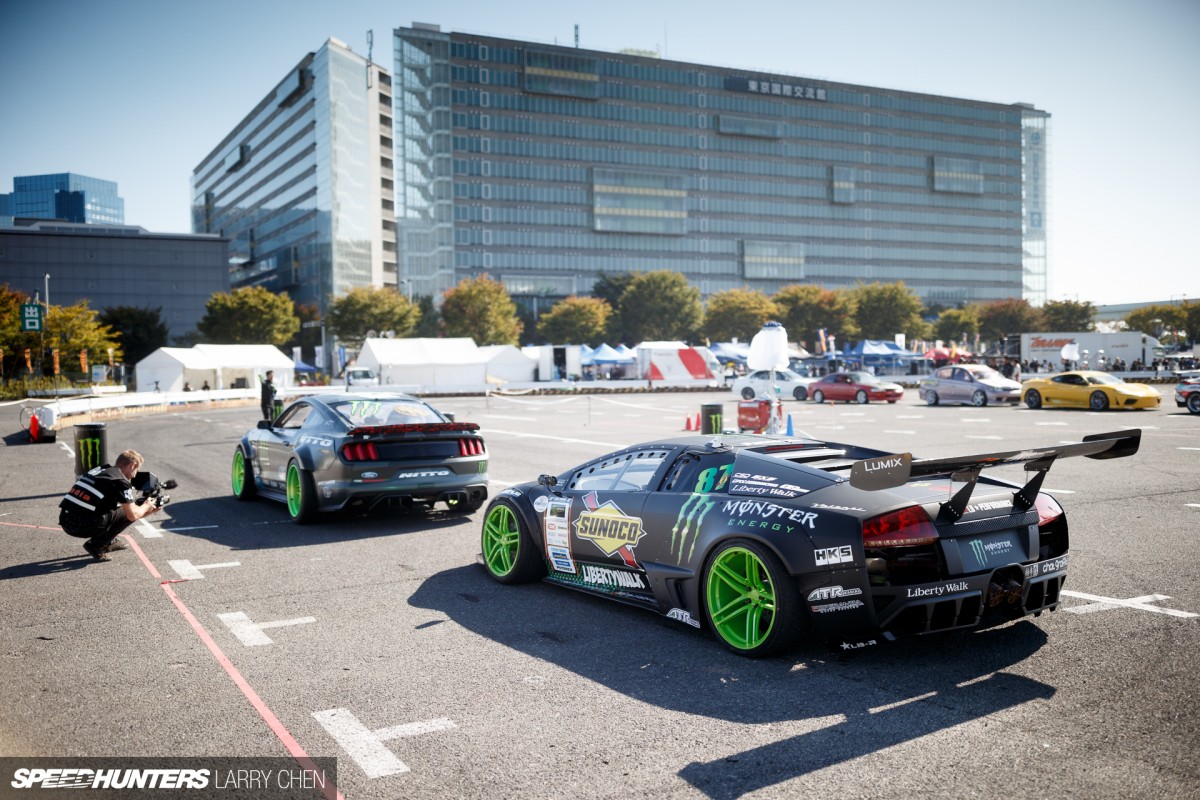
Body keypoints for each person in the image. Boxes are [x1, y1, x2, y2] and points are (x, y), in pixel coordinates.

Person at [59, 450, 161, 562]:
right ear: (133, 465)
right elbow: (132, 515)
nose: (135, 475)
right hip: (81, 527)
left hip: (65, 521)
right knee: (131, 511)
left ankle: (109, 541)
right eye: (137, 470)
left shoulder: (101, 470)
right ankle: (97, 545)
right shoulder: (120, 480)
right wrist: (146, 506)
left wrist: (147, 511)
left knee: (122, 508)